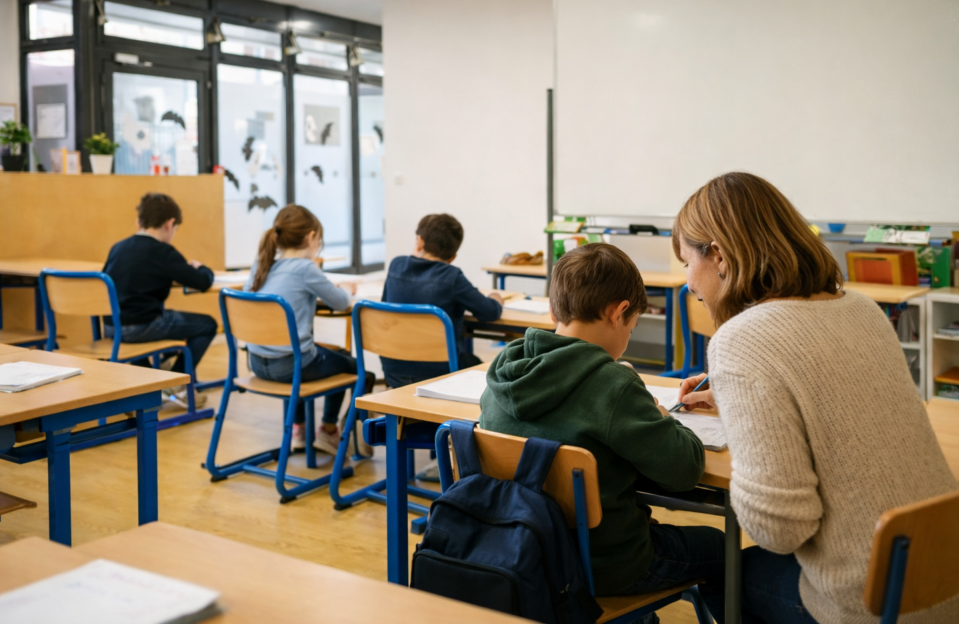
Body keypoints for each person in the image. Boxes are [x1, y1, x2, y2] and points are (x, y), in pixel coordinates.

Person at [673, 172, 959, 623]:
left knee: (720, 573)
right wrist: (741, 403)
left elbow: (779, 530)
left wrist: (750, 431)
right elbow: (839, 411)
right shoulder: (861, 308)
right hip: (942, 575)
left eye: (686, 262)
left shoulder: (742, 339)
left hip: (872, 606)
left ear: (720, 256)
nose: (689, 283)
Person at [481, 242, 725, 622]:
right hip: (603, 565)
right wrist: (661, 416)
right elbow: (684, 470)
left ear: (553, 307)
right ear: (618, 313)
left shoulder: (502, 370)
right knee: (722, 548)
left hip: (519, 552)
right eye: (633, 324)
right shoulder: (614, 386)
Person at [246, 205, 373, 455]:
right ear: (311, 237)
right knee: (355, 368)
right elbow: (341, 302)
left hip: (257, 363)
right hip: (290, 367)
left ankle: (300, 430)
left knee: (313, 355)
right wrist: (348, 287)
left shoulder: (261, 265)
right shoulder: (305, 268)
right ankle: (328, 431)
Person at [104, 192, 216, 409]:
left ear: (140, 222)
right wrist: (201, 267)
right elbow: (202, 282)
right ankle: (176, 381)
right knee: (207, 324)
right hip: (142, 326)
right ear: (170, 224)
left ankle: (153, 384)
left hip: (112, 328)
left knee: (160, 318)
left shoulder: (118, 248)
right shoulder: (162, 252)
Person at [380, 213, 504, 388]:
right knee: (476, 363)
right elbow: (489, 312)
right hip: (439, 373)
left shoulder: (396, 266)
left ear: (420, 241)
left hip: (393, 369)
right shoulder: (452, 277)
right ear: (452, 257)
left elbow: (386, 305)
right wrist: (495, 297)